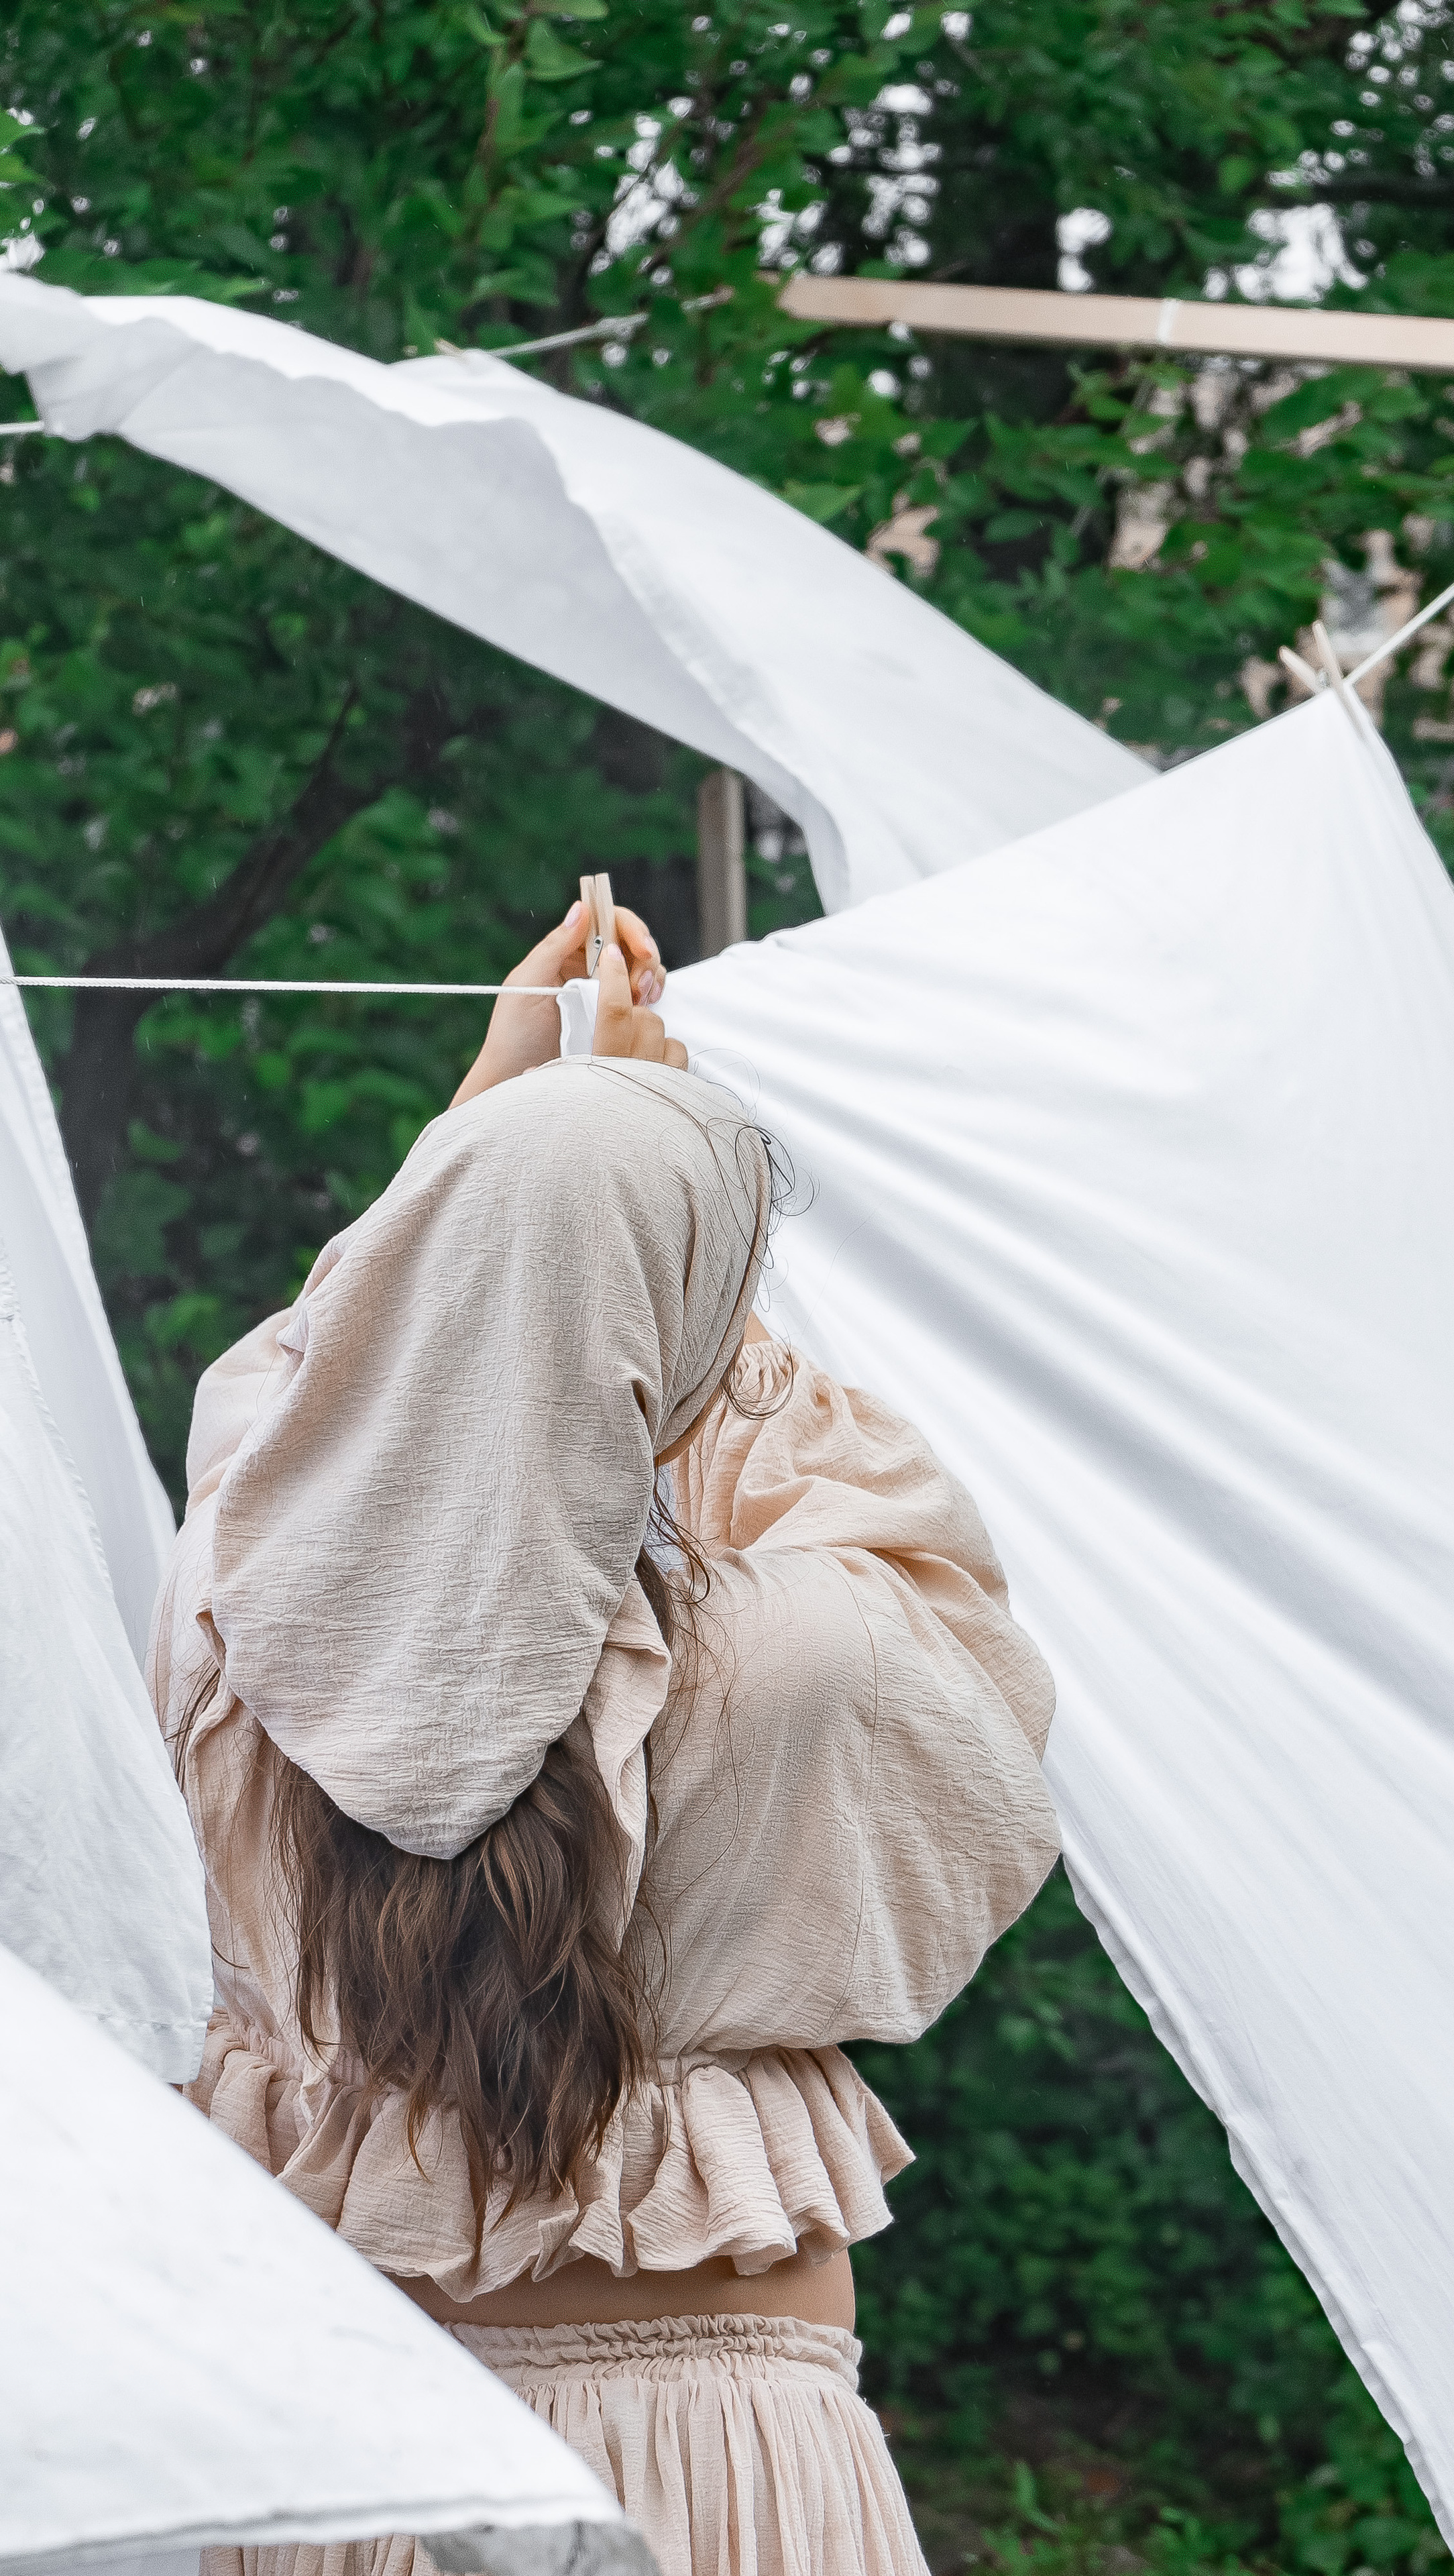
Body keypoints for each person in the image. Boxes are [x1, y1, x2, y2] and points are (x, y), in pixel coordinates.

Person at [150, 891, 1063, 2576]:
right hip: (720, 2449)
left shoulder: (233, 1634)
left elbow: (305, 1415)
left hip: (355, 2453)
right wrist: (652, 1219)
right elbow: (924, 1580)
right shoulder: (811, 1656)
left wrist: (484, 1145)